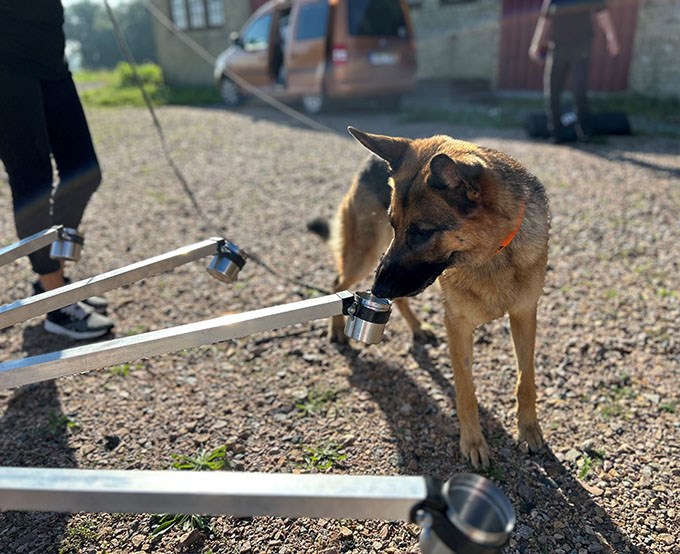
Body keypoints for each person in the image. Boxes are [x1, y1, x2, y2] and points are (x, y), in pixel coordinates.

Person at [0, 0, 115, 340]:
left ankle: (52, 281)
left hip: (50, 52)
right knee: (33, 185)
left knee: (85, 172)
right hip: (5, 59)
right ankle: (56, 304)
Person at [529, 0, 620, 143]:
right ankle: (557, 133)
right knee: (552, 90)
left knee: (579, 89)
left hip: (581, 46)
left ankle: (584, 133)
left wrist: (611, 37)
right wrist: (536, 44)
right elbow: (545, 19)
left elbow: (602, 13)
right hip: (558, 46)